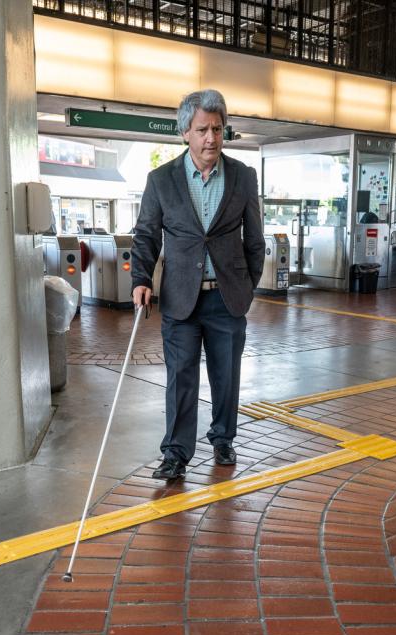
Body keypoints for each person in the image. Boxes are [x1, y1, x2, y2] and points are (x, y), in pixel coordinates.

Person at [130, 89, 265, 481]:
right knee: (181, 378)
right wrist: (141, 279)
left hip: (227, 299)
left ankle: (223, 437)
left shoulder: (243, 176)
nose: (211, 138)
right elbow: (146, 237)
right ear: (185, 133)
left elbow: (254, 240)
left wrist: (246, 287)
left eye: (218, 129)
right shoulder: (161, 180)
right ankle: (176, 453)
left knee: (227, 376)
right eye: (202, 129)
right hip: (180, 300)